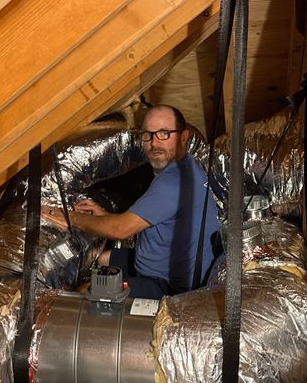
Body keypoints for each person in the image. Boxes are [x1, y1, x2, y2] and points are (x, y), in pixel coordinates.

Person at [42, 105, 221, 299]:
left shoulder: (172, 182)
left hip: (170, 286)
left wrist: (72, 219)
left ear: (184, 137)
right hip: (161, 262)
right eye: (148, 135)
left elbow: (120, 230)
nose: (154, 143)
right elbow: (154, 219)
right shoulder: (187, 165)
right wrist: (107, 217)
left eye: (164, 134)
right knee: (102, 259)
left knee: (84, 292)